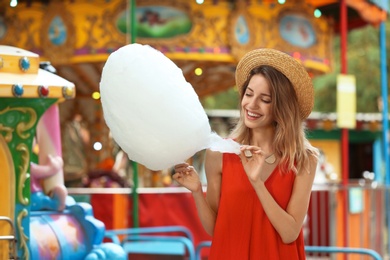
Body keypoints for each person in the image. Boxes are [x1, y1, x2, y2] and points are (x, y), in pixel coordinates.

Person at [173, 48, 319, 259]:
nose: (251, 104)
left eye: (265, 99)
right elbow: (216, 229)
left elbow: (290, 233)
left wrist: (257, 182)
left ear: (282, 107)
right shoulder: (219, 154)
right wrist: (197, 191)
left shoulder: (304, 159)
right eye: (249, 94)